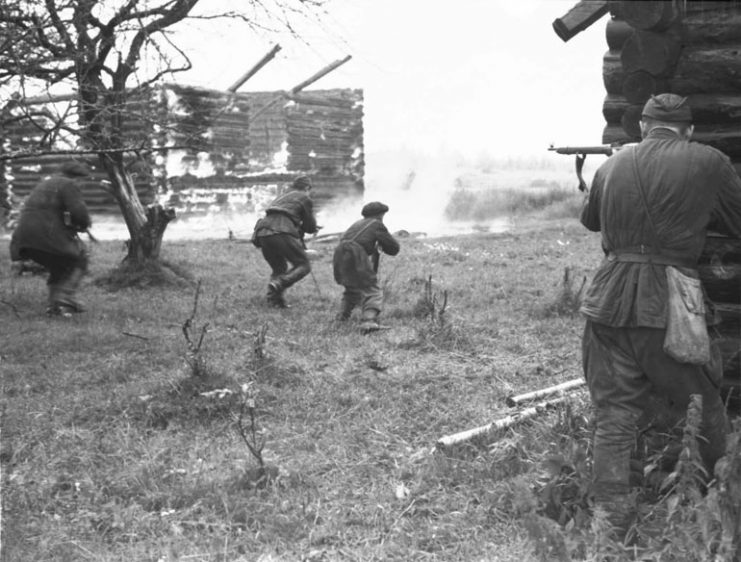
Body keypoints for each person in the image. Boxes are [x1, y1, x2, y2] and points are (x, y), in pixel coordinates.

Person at [579, 93, 741, 537]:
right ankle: (729, 502)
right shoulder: (708, 161)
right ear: (688, 130)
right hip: (667, 300)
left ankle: (611, 525)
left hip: (606, 300)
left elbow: (591, 221)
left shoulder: (611, 165)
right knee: (701, 405)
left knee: (614, 414)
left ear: (643, 128)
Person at [9, 161, 93, 317]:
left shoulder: (47, 183)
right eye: (83, 182)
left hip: (23, 239)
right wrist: (85, 223)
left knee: (60, 265)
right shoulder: (68, 184)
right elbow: (78, 211)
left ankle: (55, 306)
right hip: (45, 237)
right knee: (79, 258)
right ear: (78, 178)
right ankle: (64, 297)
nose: (83, 186)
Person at [252, 175, 319, 308]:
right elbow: (309, 226)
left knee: (279, 267)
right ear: (307, 188)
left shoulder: (282, 197)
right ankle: (280, 282)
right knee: (304, 264)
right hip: (281, 230)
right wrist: (313, 227)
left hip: (263, 232)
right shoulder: (304, 197)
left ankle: (274, 301)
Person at [333, 201, 400, 333]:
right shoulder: (377, 224)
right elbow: (393, 248)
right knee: (373, 289)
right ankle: (368, 321)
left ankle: (341, 317)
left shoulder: (357, 224)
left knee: (352, 288)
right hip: (355, 253)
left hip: (340, 253)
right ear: (380, 215)